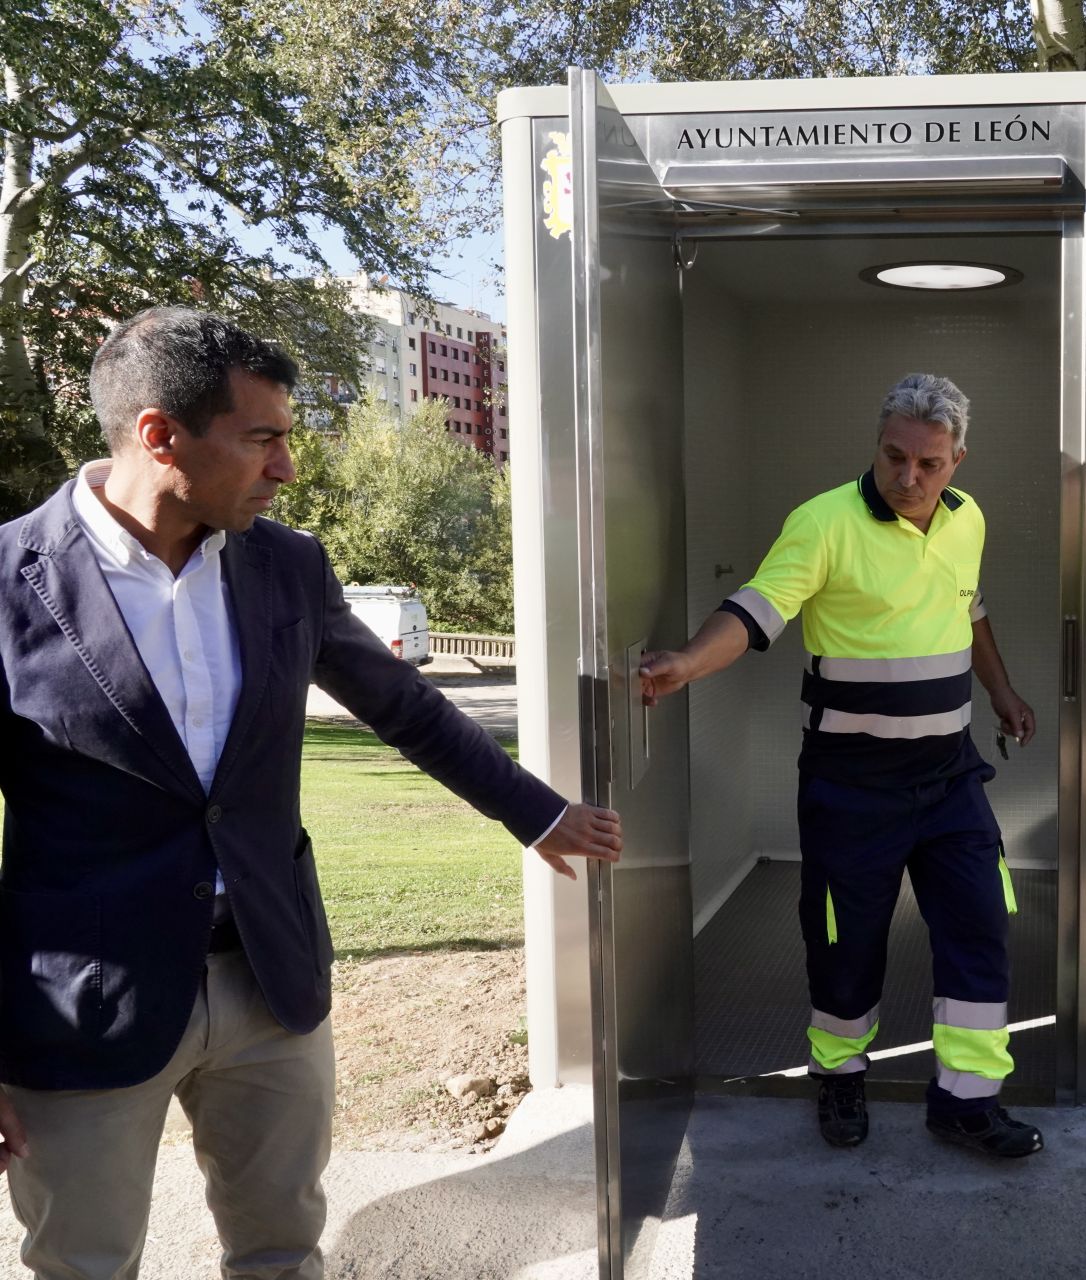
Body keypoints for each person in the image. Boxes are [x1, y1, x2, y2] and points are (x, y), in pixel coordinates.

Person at [0, 307, 622, 1279]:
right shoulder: (10, 580)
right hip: (81, 1002)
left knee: (284, 1253)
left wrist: (536, 812)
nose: (286, 468)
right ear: (161, 435)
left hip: (270, 978)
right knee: (83, 1265)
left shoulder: (286, 565)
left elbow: (404, 705)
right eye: (263, 439)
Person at [637, 373, 1043, 1158]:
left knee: (980, 926)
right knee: (844, 943)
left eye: (929, 463)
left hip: (951, 778)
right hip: (851, 784)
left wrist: (1002, 692)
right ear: (877, 446)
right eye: (894, 456)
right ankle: (840, 1075)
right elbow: (757, 607)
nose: (908, 477)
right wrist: (687, 662)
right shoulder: (823, 522)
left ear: (957, 460)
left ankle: (966, 1103)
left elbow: (969, 607)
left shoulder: (968, 519)